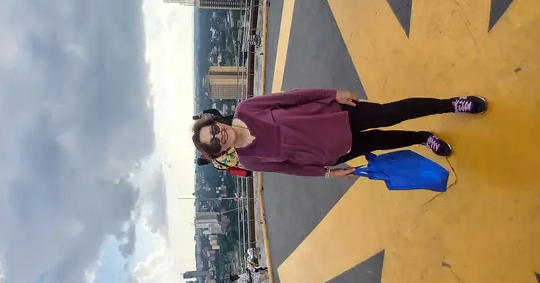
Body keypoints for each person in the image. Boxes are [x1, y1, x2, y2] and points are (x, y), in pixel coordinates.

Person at [192, 89, 488, 177]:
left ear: (218, 122)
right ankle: (423, 138)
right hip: (331, 152)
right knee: (381, 141)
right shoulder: (250, 160)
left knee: (392, 113)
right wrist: (327, 173)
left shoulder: (247, 108)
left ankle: (451, 104)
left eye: (214, 130)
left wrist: (333, 94)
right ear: (220, 152)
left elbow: (295, 97)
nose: (219, 136)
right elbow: (290, 168)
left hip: (335, 115)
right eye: (214, 143)